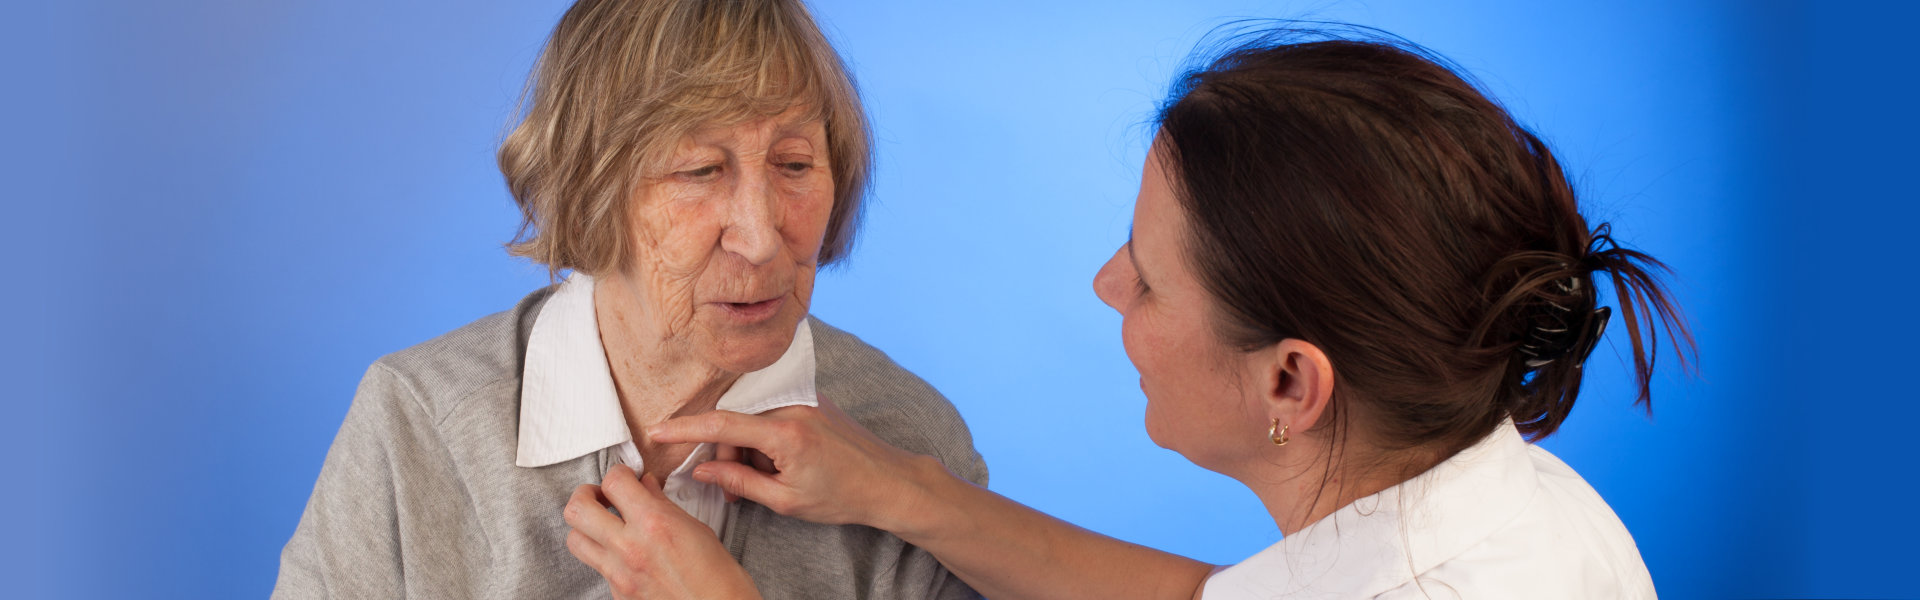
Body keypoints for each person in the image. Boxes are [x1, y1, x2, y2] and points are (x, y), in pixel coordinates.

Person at [630, 27, 1696, 599]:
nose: (1106, 285)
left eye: (1147, 276)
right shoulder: (1511, 491)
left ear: (1290, 381)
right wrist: (912, 495)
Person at [271, 1, 986, 598]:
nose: (763, 238)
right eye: (701, 170)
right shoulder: (417, 420)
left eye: (795, 165)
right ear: (589, 191)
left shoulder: (911, 442)